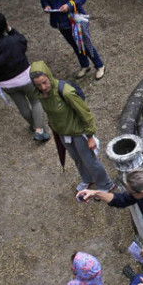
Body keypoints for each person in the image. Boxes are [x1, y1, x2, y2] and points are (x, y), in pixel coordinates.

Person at [30, 61, 114, 192]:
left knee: (90, 161)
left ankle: (105, 184)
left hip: (79, 132)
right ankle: (87, 179)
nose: (43, 87)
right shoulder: (40, 94)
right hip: (63, 132)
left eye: (45, 82)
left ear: (49, 77)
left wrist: (90, 136)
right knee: (76, 158)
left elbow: (85, 112)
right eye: (38, 84)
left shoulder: (66, 92)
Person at [0, 12, 48, 141]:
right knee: (35, 101)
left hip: (7, 84)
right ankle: (39, 129)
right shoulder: (14, 40)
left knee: (22, 107)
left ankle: (34, 126)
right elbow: (23, 41)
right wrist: (11, 30)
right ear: (5, 25)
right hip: (25, 78)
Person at [39, 0, 106, 80]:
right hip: (59, 20)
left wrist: (69, 5)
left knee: (84, 43)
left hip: (74, 18)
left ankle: (99, 65)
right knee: (74, 45)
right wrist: (46, 5)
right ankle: (84, 65)